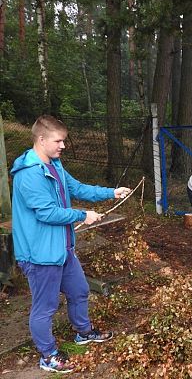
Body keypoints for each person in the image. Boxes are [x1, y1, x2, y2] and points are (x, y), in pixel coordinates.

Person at [11, 115, 131, 373]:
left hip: (63, 248)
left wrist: (111, 192)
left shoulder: (54, 164)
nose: (63, 145)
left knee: (79, 290)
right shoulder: (29, 174)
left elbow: (76, 188)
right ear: (41, 139)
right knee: (46, 307)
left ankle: (83, 331)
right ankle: (48, 355)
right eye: (59, 140)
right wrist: (82, 215)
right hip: (40, 254)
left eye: (63, 140)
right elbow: (47, 213)